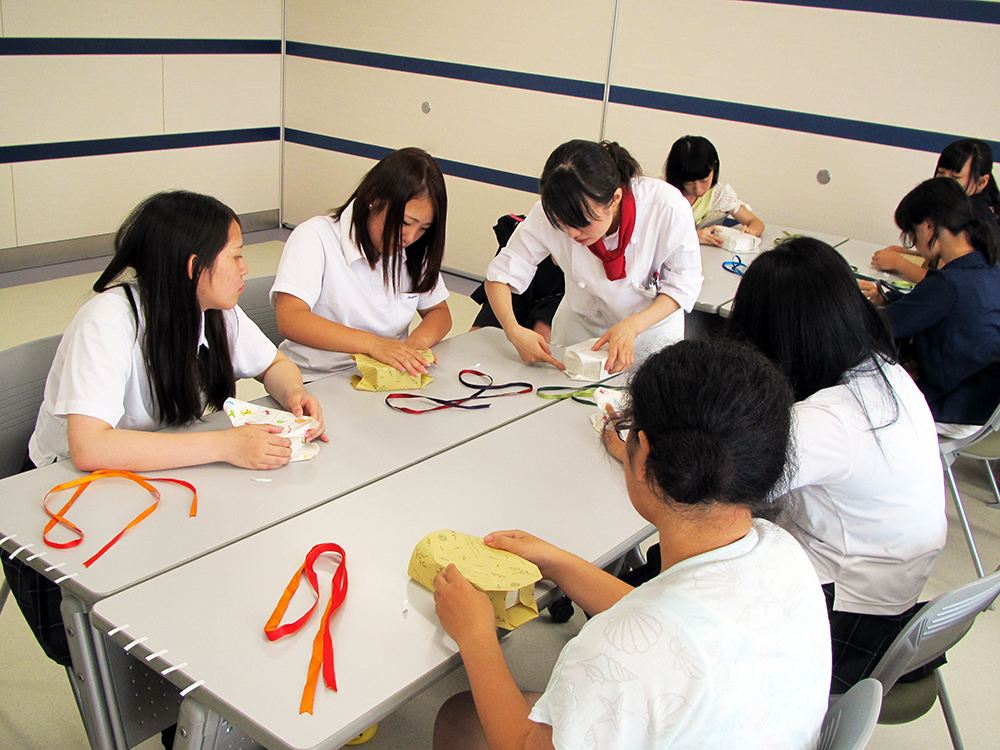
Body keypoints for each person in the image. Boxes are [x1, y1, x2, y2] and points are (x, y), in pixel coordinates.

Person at [431, 339, 832, 750]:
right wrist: (556, 562)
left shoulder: (618, 655)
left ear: (643, 458)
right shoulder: (782, 552)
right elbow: (664, 618)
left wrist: (475, 634)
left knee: (459, 719)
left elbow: (522, 744)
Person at [7, 190, 326, 677]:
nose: (246, 267)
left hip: (164, 485)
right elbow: (89, 446)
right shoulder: (109, 322)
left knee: (228, 588)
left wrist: (294, 395)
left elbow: (274, 364)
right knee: (145, 644)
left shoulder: (218, 311)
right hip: (73, 501)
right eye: (235, 255)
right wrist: (224, 445)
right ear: (194, 266)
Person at [727, 236, 947, 692]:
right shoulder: (885, 373)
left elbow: (729, 488)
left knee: (657, 583)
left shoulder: (828, 418)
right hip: (893, 597)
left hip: (844, 617)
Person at [484, 140, 702, 374]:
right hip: (580, 331)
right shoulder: (546, 214)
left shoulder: (666, 207)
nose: (571, 233)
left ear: (615, 199)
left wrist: (632, 326)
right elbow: (499, 277)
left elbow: (682, 286)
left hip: (649, 336)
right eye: (561, 223)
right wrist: (513, 330)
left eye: (581, 222)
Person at [272, 147, 452, 380]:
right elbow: (290, 319)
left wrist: (417, 343)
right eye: (406, 222)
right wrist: (373, 344)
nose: (410, 237)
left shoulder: (414, 249)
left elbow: (439, 311)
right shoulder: (315, 237)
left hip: (385, 376)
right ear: (373, 198)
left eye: (423, 229)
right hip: (316, 379)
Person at [863, 177, 1000, 434]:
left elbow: (878, 326)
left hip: (953, 408)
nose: (913, 243)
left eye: (911, 234)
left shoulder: (948, 283)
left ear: (928, 226)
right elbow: (932, 309)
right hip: (986, 404)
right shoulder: (988, 265)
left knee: (860, 397)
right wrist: (889, 297)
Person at [872, 138, 1000, 283]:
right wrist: (907, 254)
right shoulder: (986, 205)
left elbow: (941, 281)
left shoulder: (970, 214)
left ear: (982, 182)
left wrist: (899, 263)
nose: (943, 183)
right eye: (941, 173)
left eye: (955, 177)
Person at [664, 134, 765, 246]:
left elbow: (756, 222)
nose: (698, 190)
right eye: (689, 182)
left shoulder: (718, 193)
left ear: (714, 169)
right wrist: (693, 236)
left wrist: (751, 231)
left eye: (704, 180)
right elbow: (650, 237)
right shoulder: (662, 193)